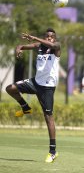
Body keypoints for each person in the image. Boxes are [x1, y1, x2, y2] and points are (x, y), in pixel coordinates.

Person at [6, 28, 60, 163]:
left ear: (55, 38)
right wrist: (18, 49)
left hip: (47, 87)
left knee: (48, 117)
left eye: (52, 36)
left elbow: (52, 45)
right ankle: (25, 108)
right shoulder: (39, 47)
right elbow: (21, 46)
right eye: (47, 36)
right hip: (35, 82)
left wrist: (35, 38)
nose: (49, 38)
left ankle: (53, 152)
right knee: (10, 88)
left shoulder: (57, 47)